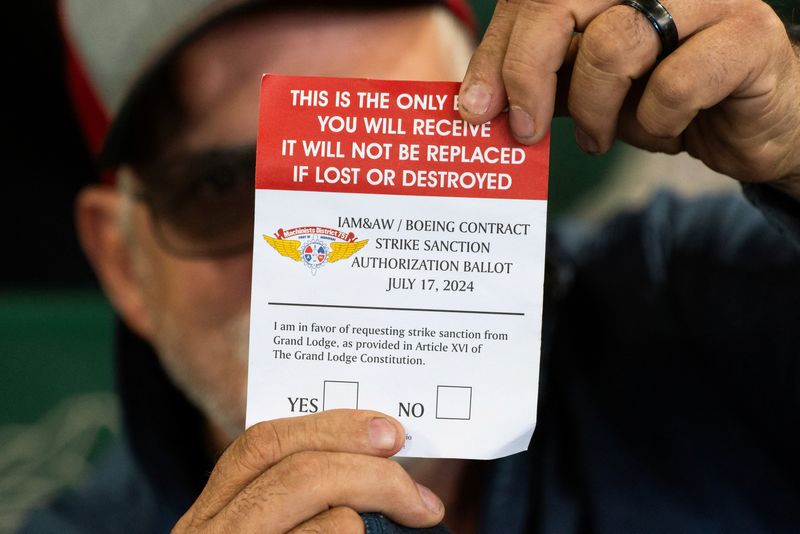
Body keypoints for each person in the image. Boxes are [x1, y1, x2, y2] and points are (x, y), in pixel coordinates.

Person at [22, 0, 800, 532]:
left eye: (402, 155)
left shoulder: (704, 305)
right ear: (121, 262)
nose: (316, 238)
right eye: (219, 188)